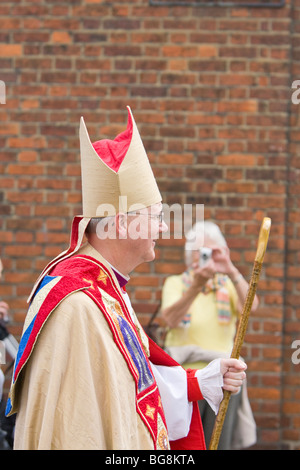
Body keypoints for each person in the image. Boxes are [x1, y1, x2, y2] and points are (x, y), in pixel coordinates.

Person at [6, 107, 246, 450]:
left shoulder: (108, 288)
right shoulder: (77, 303)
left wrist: (198, 382)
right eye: (156, 217)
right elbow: (77, 425)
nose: (163, 227)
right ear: (121, 224)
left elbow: (129, 386)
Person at [161, 221, 258, 449]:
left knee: (218, 443)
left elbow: (250, 308)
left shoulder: (228, 285)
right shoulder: (176, 283)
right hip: (185, 379)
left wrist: (231, 270)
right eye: (200, 251)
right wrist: (196, 286)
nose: (206, 256)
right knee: (184, 444)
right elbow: (170, 319)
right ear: (189, 255)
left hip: (224, 378)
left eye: (212, 251)